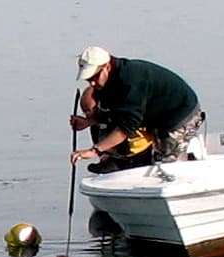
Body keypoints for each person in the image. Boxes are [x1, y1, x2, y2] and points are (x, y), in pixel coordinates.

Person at [71, 47, 202, 172]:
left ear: (107, 66)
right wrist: (89, 121)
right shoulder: (105, 84)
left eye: (94, 77)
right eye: (88, 79)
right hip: (154, 117)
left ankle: (186, 171)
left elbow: (125, 128)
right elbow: (115, 114)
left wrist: (94, 151)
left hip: (180, 114)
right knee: (154, 162)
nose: (92, 83)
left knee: (166, 167)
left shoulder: (130, 81)